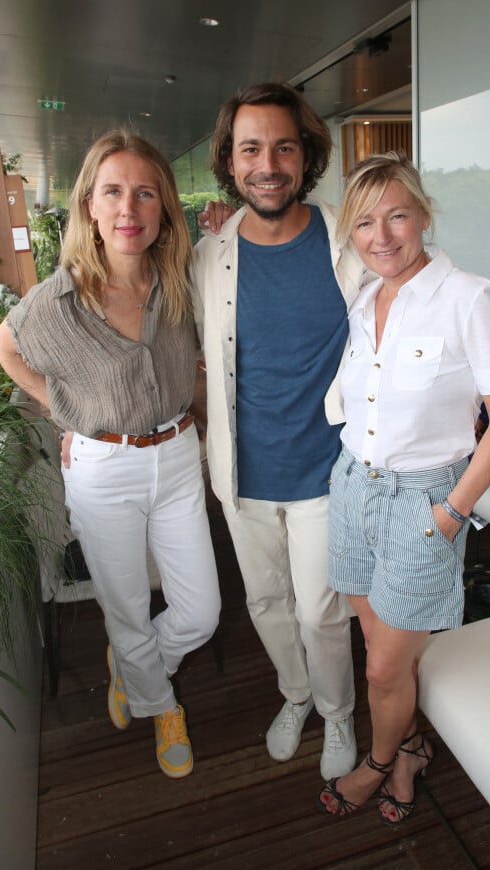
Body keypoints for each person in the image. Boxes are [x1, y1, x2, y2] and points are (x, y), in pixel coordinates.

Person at [0, 130, 221, 779]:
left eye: (145, 193)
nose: (130, 207)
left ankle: (136, 664)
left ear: (163, 207)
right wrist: (67, 414)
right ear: (90, 205)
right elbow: (5, 350)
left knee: (201, 612)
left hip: (178, 456)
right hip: (103, 471)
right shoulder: (59, 300)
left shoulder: (178, 277)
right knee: (124, 606)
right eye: (113, 191)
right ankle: (158, 702)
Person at [316, 151, 490, 824]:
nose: (382, 236)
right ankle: (408, 749)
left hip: (423, 501)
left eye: (397, 216)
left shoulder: (471, 298)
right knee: (380, 648)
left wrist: (449, 514)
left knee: (382, 669)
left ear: (424, 215)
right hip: (352, 488)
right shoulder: (364, 297)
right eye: (365, 223)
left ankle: (377, 764)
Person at [192, 82, 365, 780]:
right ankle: (294, 695)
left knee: (323, 612)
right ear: (230, 164)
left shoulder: (348, 238)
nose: (268, 164)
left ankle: (338, 714)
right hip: (243, 471)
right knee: (265, 601)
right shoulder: (208, 252)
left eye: (283, 147)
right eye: (251, 148)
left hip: (326, 469)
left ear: (307, 156)